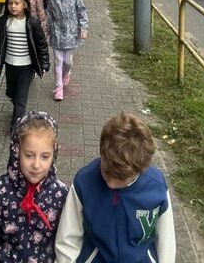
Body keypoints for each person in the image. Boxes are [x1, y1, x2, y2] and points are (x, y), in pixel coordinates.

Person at [54, 112, 176, 263]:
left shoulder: (156, 187)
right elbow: (68, 237)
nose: (111, 183)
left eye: (121, 178)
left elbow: (166, 239)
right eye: (107, 172)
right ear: (102, 153)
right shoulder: (84, 182)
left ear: (139, 170)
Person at [0, 111, 69, 263]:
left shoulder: (61, 195)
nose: (36, 165)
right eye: (29, 155)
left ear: (54, 155)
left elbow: (70, 240)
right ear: (17, 151)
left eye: (45, 156)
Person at [0, 0, 49, 128]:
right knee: (11, 92)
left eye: (16, 3)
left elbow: (41, 44)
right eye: (10, 3)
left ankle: (17, 126)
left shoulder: (32, 22)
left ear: (25, 5)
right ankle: (17, 108)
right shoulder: (3, 22)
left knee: (20, 98)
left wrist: (44, 64)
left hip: (26, 66)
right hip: (10, 64)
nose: (13, 6)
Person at [46, 0, 88, 101]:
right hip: (57, 33)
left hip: (71, 33)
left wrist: (83, 28)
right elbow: (49, 15)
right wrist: (48, 30)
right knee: (58, 61)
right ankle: (59, 88)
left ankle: (67, 72)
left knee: (67, 61)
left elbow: (82, 11)